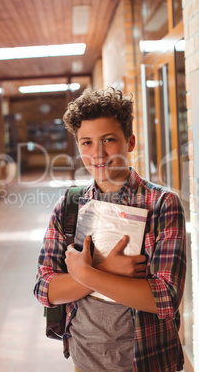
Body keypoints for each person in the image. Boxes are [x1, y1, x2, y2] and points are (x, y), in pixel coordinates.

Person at [34, 88, 186, 372]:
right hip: (84, 358)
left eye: (108, 140)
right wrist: (108, 269)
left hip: (146, 360)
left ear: (130, 142)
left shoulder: (162, 203)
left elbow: (165, 297)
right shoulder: (70, 206)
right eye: (87, 143)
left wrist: (86, 272)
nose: (98, 153)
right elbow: (45, 288)